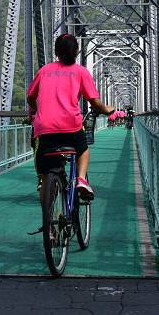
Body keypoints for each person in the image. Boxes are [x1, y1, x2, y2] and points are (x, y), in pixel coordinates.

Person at [26, 33, 121, 204]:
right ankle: (82, 180)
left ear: (56, 52)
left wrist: (37, 110)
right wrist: (107, 109)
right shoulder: (81, 72)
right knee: (83, 149)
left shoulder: (44, 71)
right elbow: (95, 103)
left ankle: (49, 226)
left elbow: (30, 97)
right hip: (70, 126)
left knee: (47, 174)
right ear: (76, 52)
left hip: (45, 128)